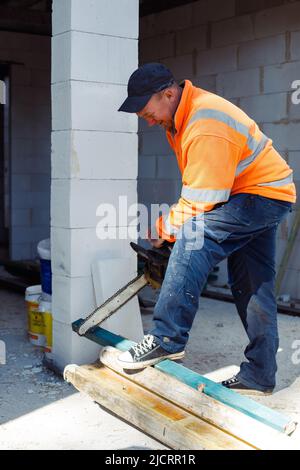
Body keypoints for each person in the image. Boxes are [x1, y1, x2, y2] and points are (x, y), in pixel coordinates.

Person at [117, 63, 296, 395]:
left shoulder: (204, 121)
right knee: (252, 285)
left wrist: (165, 231)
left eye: (146, 110)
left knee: (192, 236)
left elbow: (201, 199)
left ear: (168, 94)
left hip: (260, 196)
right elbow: (199, 186)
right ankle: (260, 375)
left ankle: (167, 338)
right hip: (256, 195)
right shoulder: (179, 121)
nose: (146, 118)